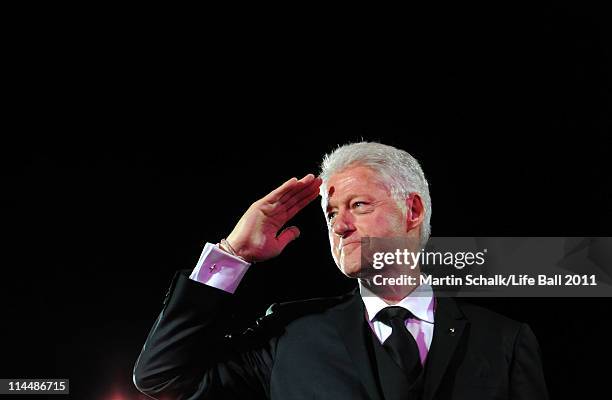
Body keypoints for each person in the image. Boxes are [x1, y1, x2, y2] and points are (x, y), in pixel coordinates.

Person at [133, 142, 548, 399]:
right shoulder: (289, 333)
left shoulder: (504, 340)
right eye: (330, 213)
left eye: (358, 205)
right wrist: (233, 253)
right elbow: (163, 378)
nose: (339, 224)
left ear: (413, 210)